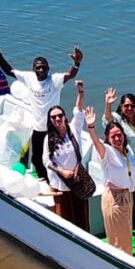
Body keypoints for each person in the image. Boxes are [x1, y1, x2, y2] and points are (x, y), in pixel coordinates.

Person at [0, 42, 84, 183]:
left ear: (48, 69)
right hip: (38, 129)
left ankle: (58, 182)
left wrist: (76, 63)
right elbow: (9, 71)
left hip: (54, 129)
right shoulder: (29, 78)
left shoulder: (55, 80)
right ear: (33, 69)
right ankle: (45, 181)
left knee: (56, 158)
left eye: (43, 67)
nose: (41, 70)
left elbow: (70, 75)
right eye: (38, 67)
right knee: (36, 158)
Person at [84, 107, 135, 255]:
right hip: (114, 198)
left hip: (128, 196)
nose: (117, 139)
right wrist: (91, 127)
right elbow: (95, 141)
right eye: (113, 137)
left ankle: (127, 261)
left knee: (126, 237)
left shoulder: (127, 150)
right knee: (118, 240)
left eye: (119, 135)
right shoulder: (107, 152)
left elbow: (132, 173)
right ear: (108, 139)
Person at [104, 88, 135, 235]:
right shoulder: (119, 120)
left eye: (132, 106)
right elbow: (108, 119)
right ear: (121, 107)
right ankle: (129, 222)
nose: (129, 109)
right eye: (126, 106)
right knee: (129, 193)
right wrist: (108, 104)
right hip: (127, 164)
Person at [42, 80, 89, 232]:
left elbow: (79, 110)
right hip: (61, 185)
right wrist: (62, 172)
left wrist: (80, 92)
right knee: (65, 221)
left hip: (78, 181)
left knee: (82, 219)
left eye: (60, 116)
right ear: (50, 121)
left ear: (64, 117)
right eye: (53, 117)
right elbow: (46, 160)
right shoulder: (48, 139)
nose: (57, 119)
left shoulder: (74, 129)